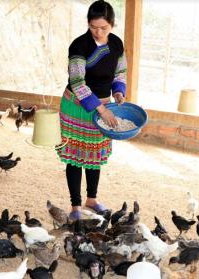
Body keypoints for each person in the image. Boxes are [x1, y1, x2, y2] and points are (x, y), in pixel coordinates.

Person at [57, 0, 127, 220]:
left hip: (104, 104)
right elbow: (77, 83)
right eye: (93, 27)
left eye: (103, 28)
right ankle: (76, 205)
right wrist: (102, 110)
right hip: (77, 107)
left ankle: (92, 199)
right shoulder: (79, 46)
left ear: (112, 25)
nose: (98, 32)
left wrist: (118, 91)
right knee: (76, 156)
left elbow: (120, 71)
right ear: (88, 24)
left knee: (94, 154)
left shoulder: (116, 44)